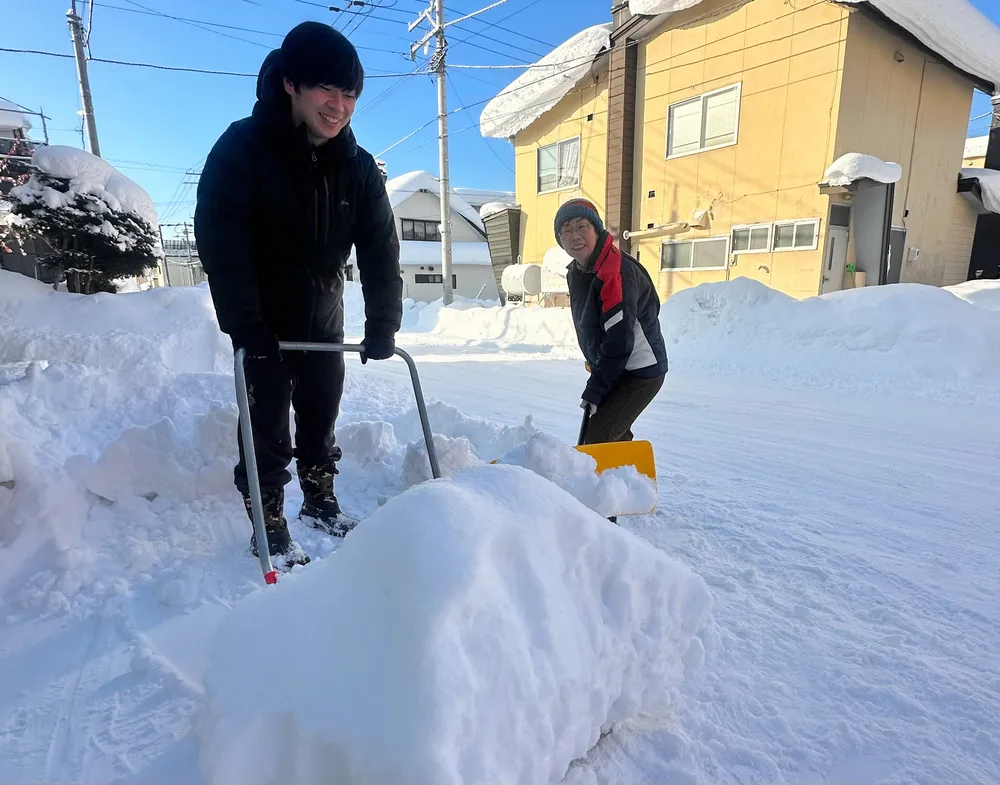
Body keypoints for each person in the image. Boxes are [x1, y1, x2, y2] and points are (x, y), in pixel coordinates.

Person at [194, 22, 402, 568]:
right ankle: (268, 519)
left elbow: (380, 247)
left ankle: (318, 496)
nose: (339, 106)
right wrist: (246, 326)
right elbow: (222, 241)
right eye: (327, 90)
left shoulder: (356, 167)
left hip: (323, 318)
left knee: (319, 415)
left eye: (350, 94)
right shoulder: (242, 148)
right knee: (265, 428)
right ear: (291, 84)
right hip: (263, 318)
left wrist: (383, 322)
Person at [557, 198, 668, 450]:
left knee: (598, 439)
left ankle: (615, 484)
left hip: (640, 370)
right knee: (610, 434)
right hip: (614, 366)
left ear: (596, 229)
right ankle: (625, 484)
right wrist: (597, 361)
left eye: (581, 226)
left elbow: (619, 341)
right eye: (566, 231)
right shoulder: (578, 271)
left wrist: (595, 388)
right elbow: (593, 323)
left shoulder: (616, 271)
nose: (574, 236)